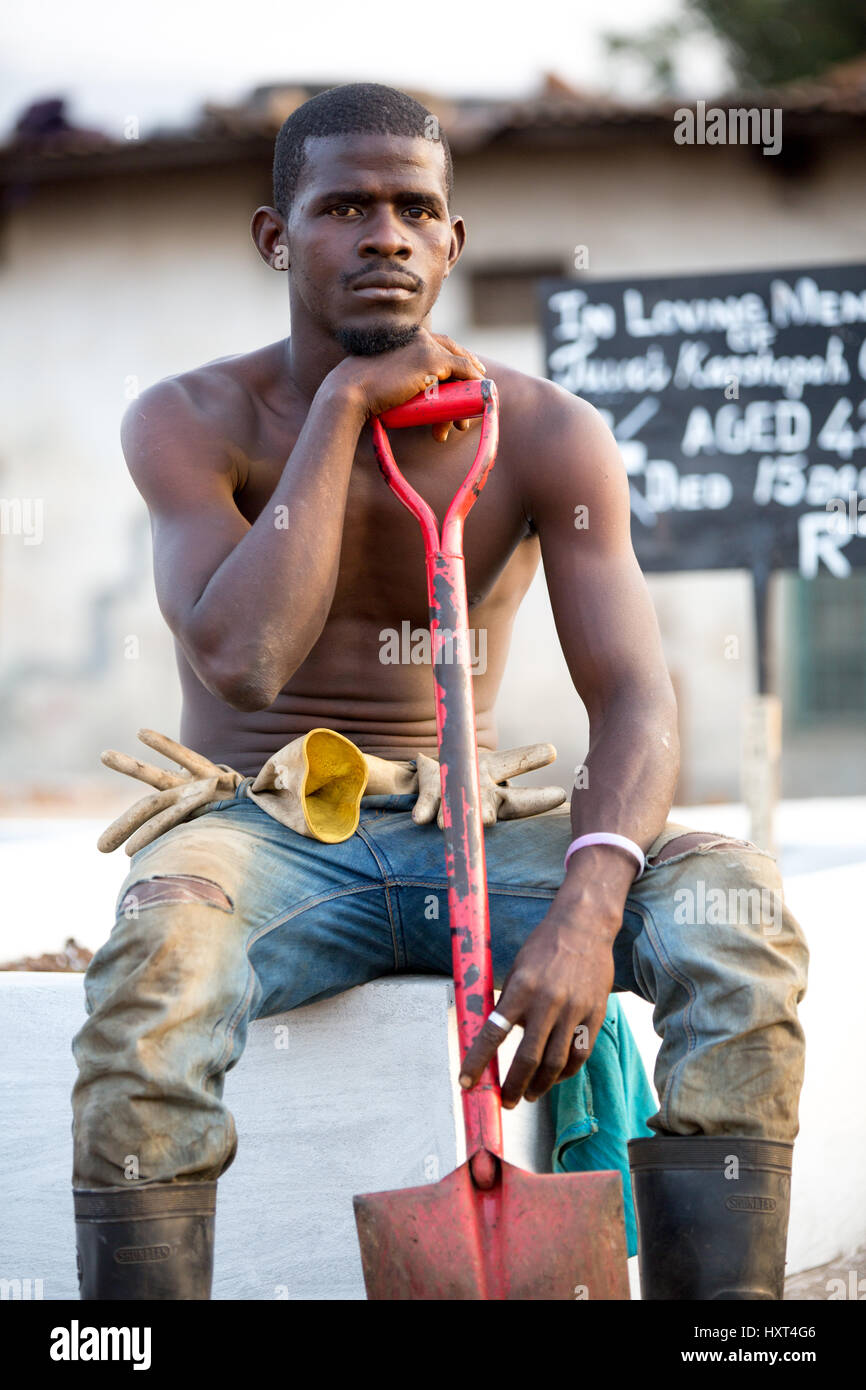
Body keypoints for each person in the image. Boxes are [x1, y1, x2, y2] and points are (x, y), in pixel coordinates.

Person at [70, 82, 808, 1301]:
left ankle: (721, 1327)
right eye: (344, 208)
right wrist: (346, 402)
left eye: (416, 210)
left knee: (733, 906)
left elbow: (634, 697)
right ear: (275, 237)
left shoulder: (545, 433)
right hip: (267, 837)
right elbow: (242, 658)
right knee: (157, 962)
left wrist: (584, 902)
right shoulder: (193, 420)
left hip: (463, 827)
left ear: (451, 241)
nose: (386, 237)